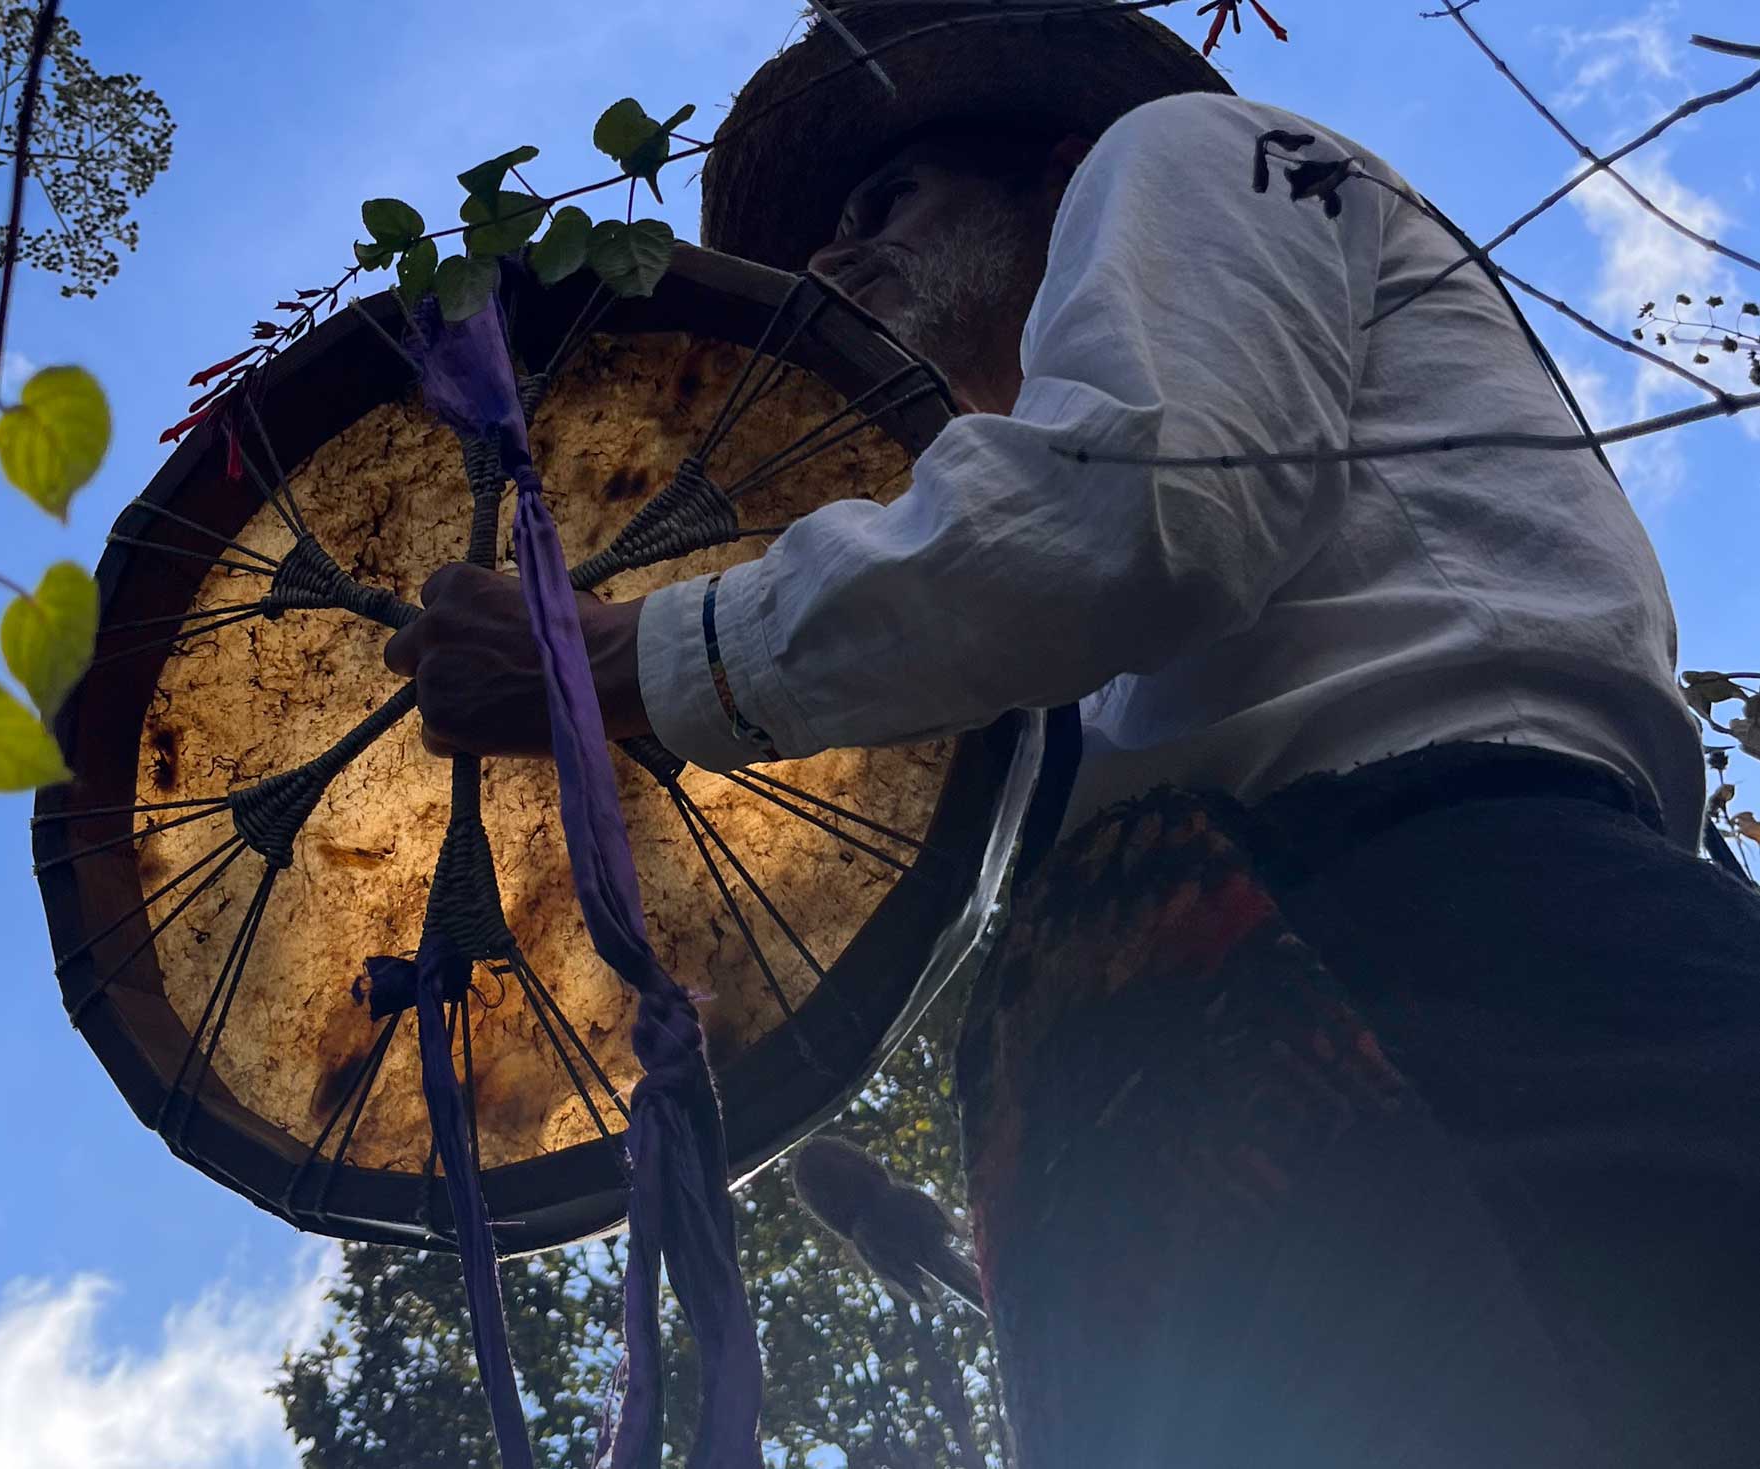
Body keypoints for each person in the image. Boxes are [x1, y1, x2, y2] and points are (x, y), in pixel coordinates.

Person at [382, 4, 1760, 1463]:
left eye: (886, 202)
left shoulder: (1176, 149)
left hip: (1443, 934)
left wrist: (629, 653)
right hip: (1248, 1016)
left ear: (1056, 172)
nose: (837, 260)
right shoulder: (1036, 604)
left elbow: (1146, 510)